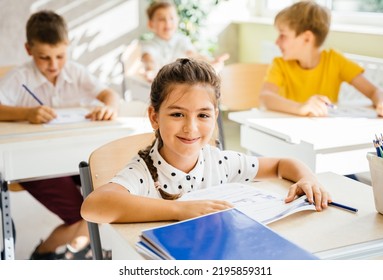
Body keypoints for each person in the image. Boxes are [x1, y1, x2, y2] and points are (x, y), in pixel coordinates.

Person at [80, 58, 331, 225]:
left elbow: (282, 164)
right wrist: (181, 210)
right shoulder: (144, 171)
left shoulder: (220, 162)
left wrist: (308, 179)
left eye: (203, 115)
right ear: (154, 117)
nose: (191, 127)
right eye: (177, 114)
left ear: (215, 117)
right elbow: (93, 206)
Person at [0, 10, 118, 259]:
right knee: (83, 213)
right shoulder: (19, 78)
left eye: (60, 56)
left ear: (68, 48)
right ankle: (43, 255)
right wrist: (25, 113)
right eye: (44, 57)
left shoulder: (75, 72)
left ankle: (79, 248)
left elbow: (109, 95)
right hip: (34, 164)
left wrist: (108, 107)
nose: (53, 65)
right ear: (28, 49)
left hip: (76, 158)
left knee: (113, 194)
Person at [259, 1, 383, 118]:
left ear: (307, 38)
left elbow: (374, 91)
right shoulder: (280, 64)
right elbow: (265, 97)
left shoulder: (335, 61)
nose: (276, 42)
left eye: (283, 35)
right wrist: (300, 108)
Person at [140, 0, 229, 82]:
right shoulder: (149, 44)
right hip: (161, 84)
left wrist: (210, 61)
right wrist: (150, 70)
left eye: (171, 18)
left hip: (181, 83)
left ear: (178, 20)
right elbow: (148, 59)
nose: (168, 23)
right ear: (151, 24)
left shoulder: (182, 40)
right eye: (161, 19)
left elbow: (194, 55)